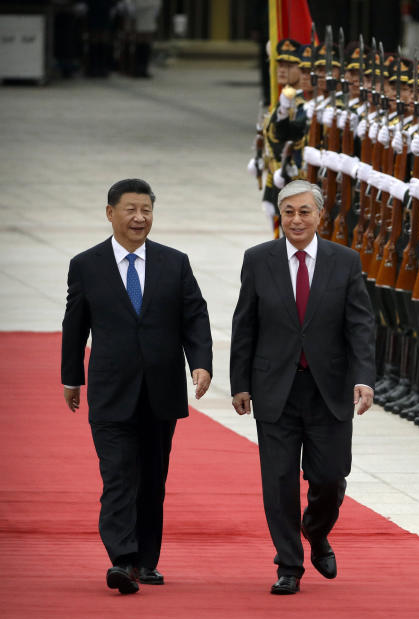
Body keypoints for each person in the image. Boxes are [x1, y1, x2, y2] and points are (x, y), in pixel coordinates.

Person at [61, 178, 213, 594]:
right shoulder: (86, 265)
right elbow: (75, 326)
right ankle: (122, 559)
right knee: (118, 476)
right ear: (110, 213)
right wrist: (72, 376)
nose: (139, 218)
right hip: (110, 392)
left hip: (160, 392)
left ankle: (146, 561)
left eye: (146, 209)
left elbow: (194, 317)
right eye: (130, 209)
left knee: (152, 479)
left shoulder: (174, 262)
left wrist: (200, 364)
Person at [229, 180, 376, 595]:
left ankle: (316, 529)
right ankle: (289, 564)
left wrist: (364, 377)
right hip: (274, 387)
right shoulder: (258, 260)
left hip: (328, 389)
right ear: (280, 214)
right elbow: (245, 324)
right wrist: (240, 382)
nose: (296, 219)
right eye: (289, 211)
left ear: (320, 216)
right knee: (278, 481)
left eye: (304, 211)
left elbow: (360, 325)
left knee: (329, 477)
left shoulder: (344, 261)